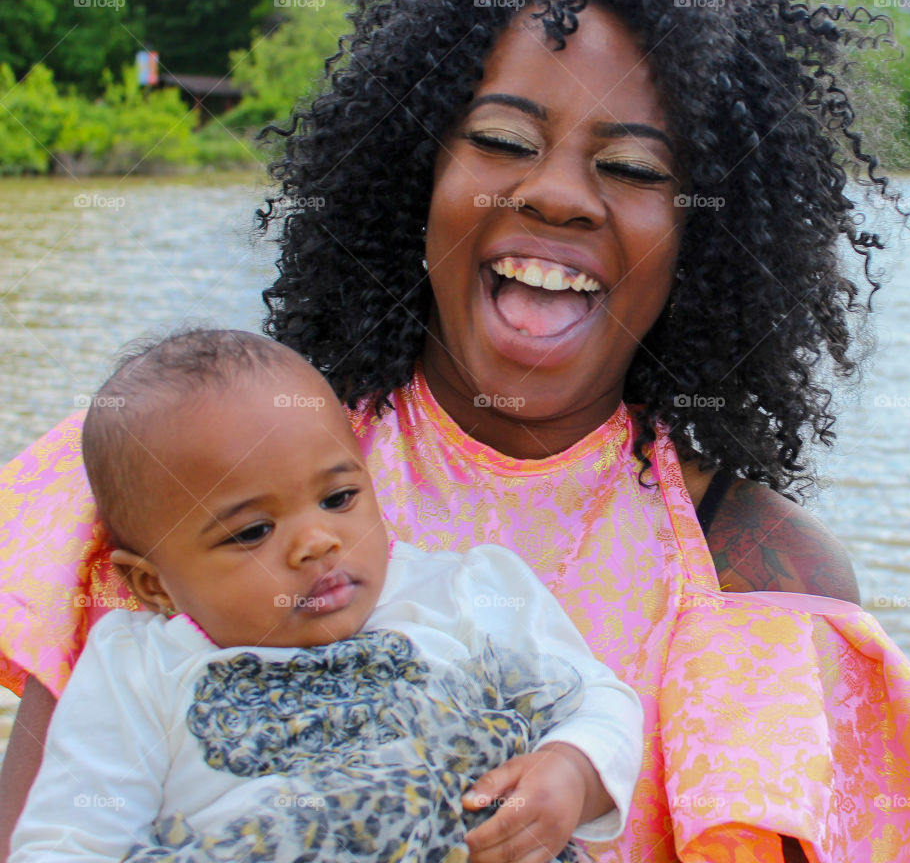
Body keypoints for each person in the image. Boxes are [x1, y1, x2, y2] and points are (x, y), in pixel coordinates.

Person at [1, 0, 910, 861]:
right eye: (502, 143)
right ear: (415, 173)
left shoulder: (753, 575)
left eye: (630, 166)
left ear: (703, 236)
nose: (554, 193)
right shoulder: (179, 472)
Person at [10, 328, 644, 863]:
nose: (316, 541)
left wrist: (572, 770)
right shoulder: (139, 669)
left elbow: (597, 702)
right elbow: (69, 838)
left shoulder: (465, 592)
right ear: (153, 584)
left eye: (339, 498)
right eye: (253, 531)